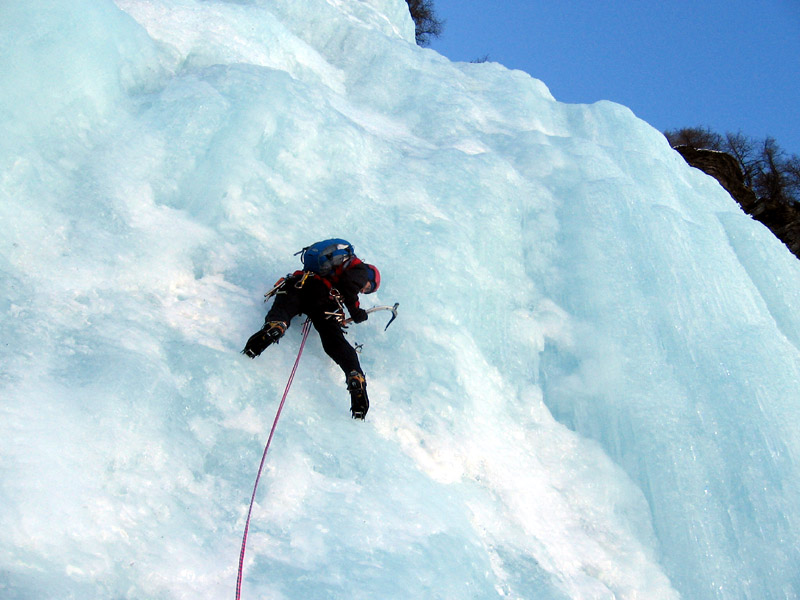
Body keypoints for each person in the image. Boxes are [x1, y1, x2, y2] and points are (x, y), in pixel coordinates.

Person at [242, 241, 381, 419]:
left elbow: (346, 285)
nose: (363, 290)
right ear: (370, 276)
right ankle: (354, 374)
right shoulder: (360, 269)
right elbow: (350, 287)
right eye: (368, 287)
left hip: (298, 284)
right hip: (324, 297)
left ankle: (276, 326)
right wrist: (356, 312)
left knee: (284, 309)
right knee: (334, 340)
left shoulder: (332, 266)